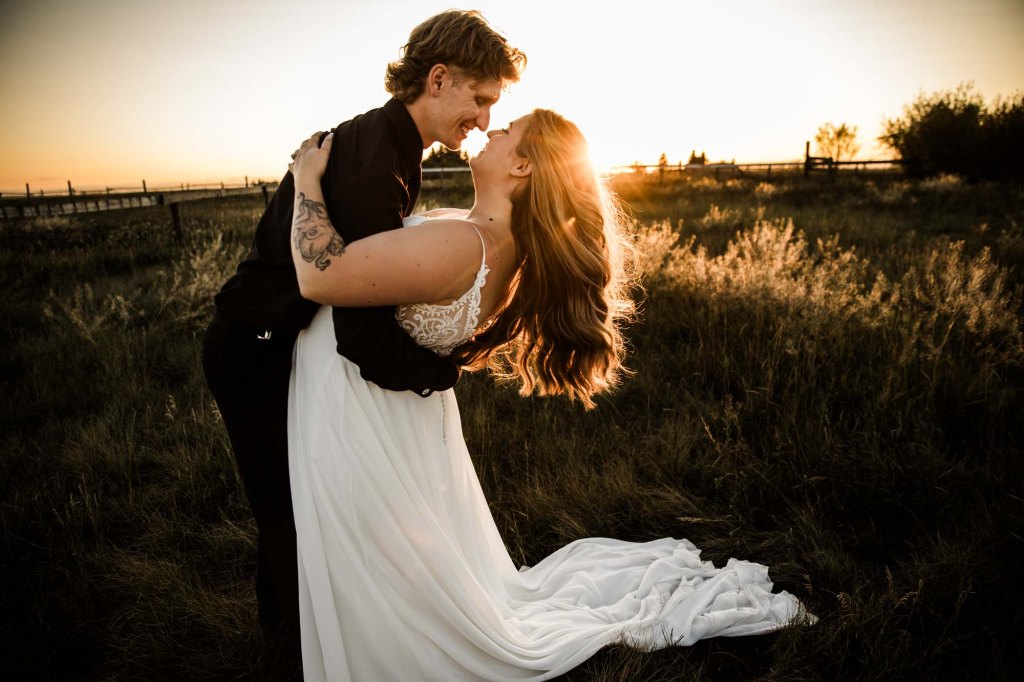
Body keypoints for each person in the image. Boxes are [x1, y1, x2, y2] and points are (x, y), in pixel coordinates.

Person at [286, 109, 815, 680]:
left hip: (362, 412)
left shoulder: (466, 244)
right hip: (394, 413)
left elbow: (319, 276)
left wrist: (307, 181)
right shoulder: (492, 240)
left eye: (505, 131)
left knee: (375, 565)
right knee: (390, 563)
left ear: (522, 164)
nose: (491, 131)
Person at [200, 9, 526, 662]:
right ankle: (296, 652)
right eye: (481, 99)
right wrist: (439, 375)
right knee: (287, 512)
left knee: (300, 507)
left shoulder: (392, 148)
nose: (485, 120)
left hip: (275, 339)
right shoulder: (376, 162)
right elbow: (359, 331)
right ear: (439, 79)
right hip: (253, 346)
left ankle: (309, 638)